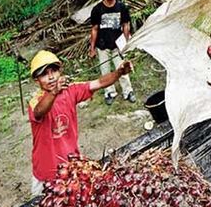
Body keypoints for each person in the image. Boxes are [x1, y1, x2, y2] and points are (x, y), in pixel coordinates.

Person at [28, 49, 133, 195]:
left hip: (71, 165)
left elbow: (99, 83)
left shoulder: (70, 90)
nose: (51, 77)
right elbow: (39, 111)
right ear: (36, 80)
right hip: (46, 171)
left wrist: (119, 72)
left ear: (60, 71)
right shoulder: (35, 102)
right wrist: (54, 92)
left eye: (54, 71)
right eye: (44, 74)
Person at [89, 0, 135, 104]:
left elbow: (126, 25)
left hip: (117, 45)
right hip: (102, 45)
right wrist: (92, 48)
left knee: (122, 68)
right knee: (105, 70)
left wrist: (125, 43)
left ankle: (128, 91)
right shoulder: (97, 10)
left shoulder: (121, 7)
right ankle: (109, 92)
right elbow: (94, 29)